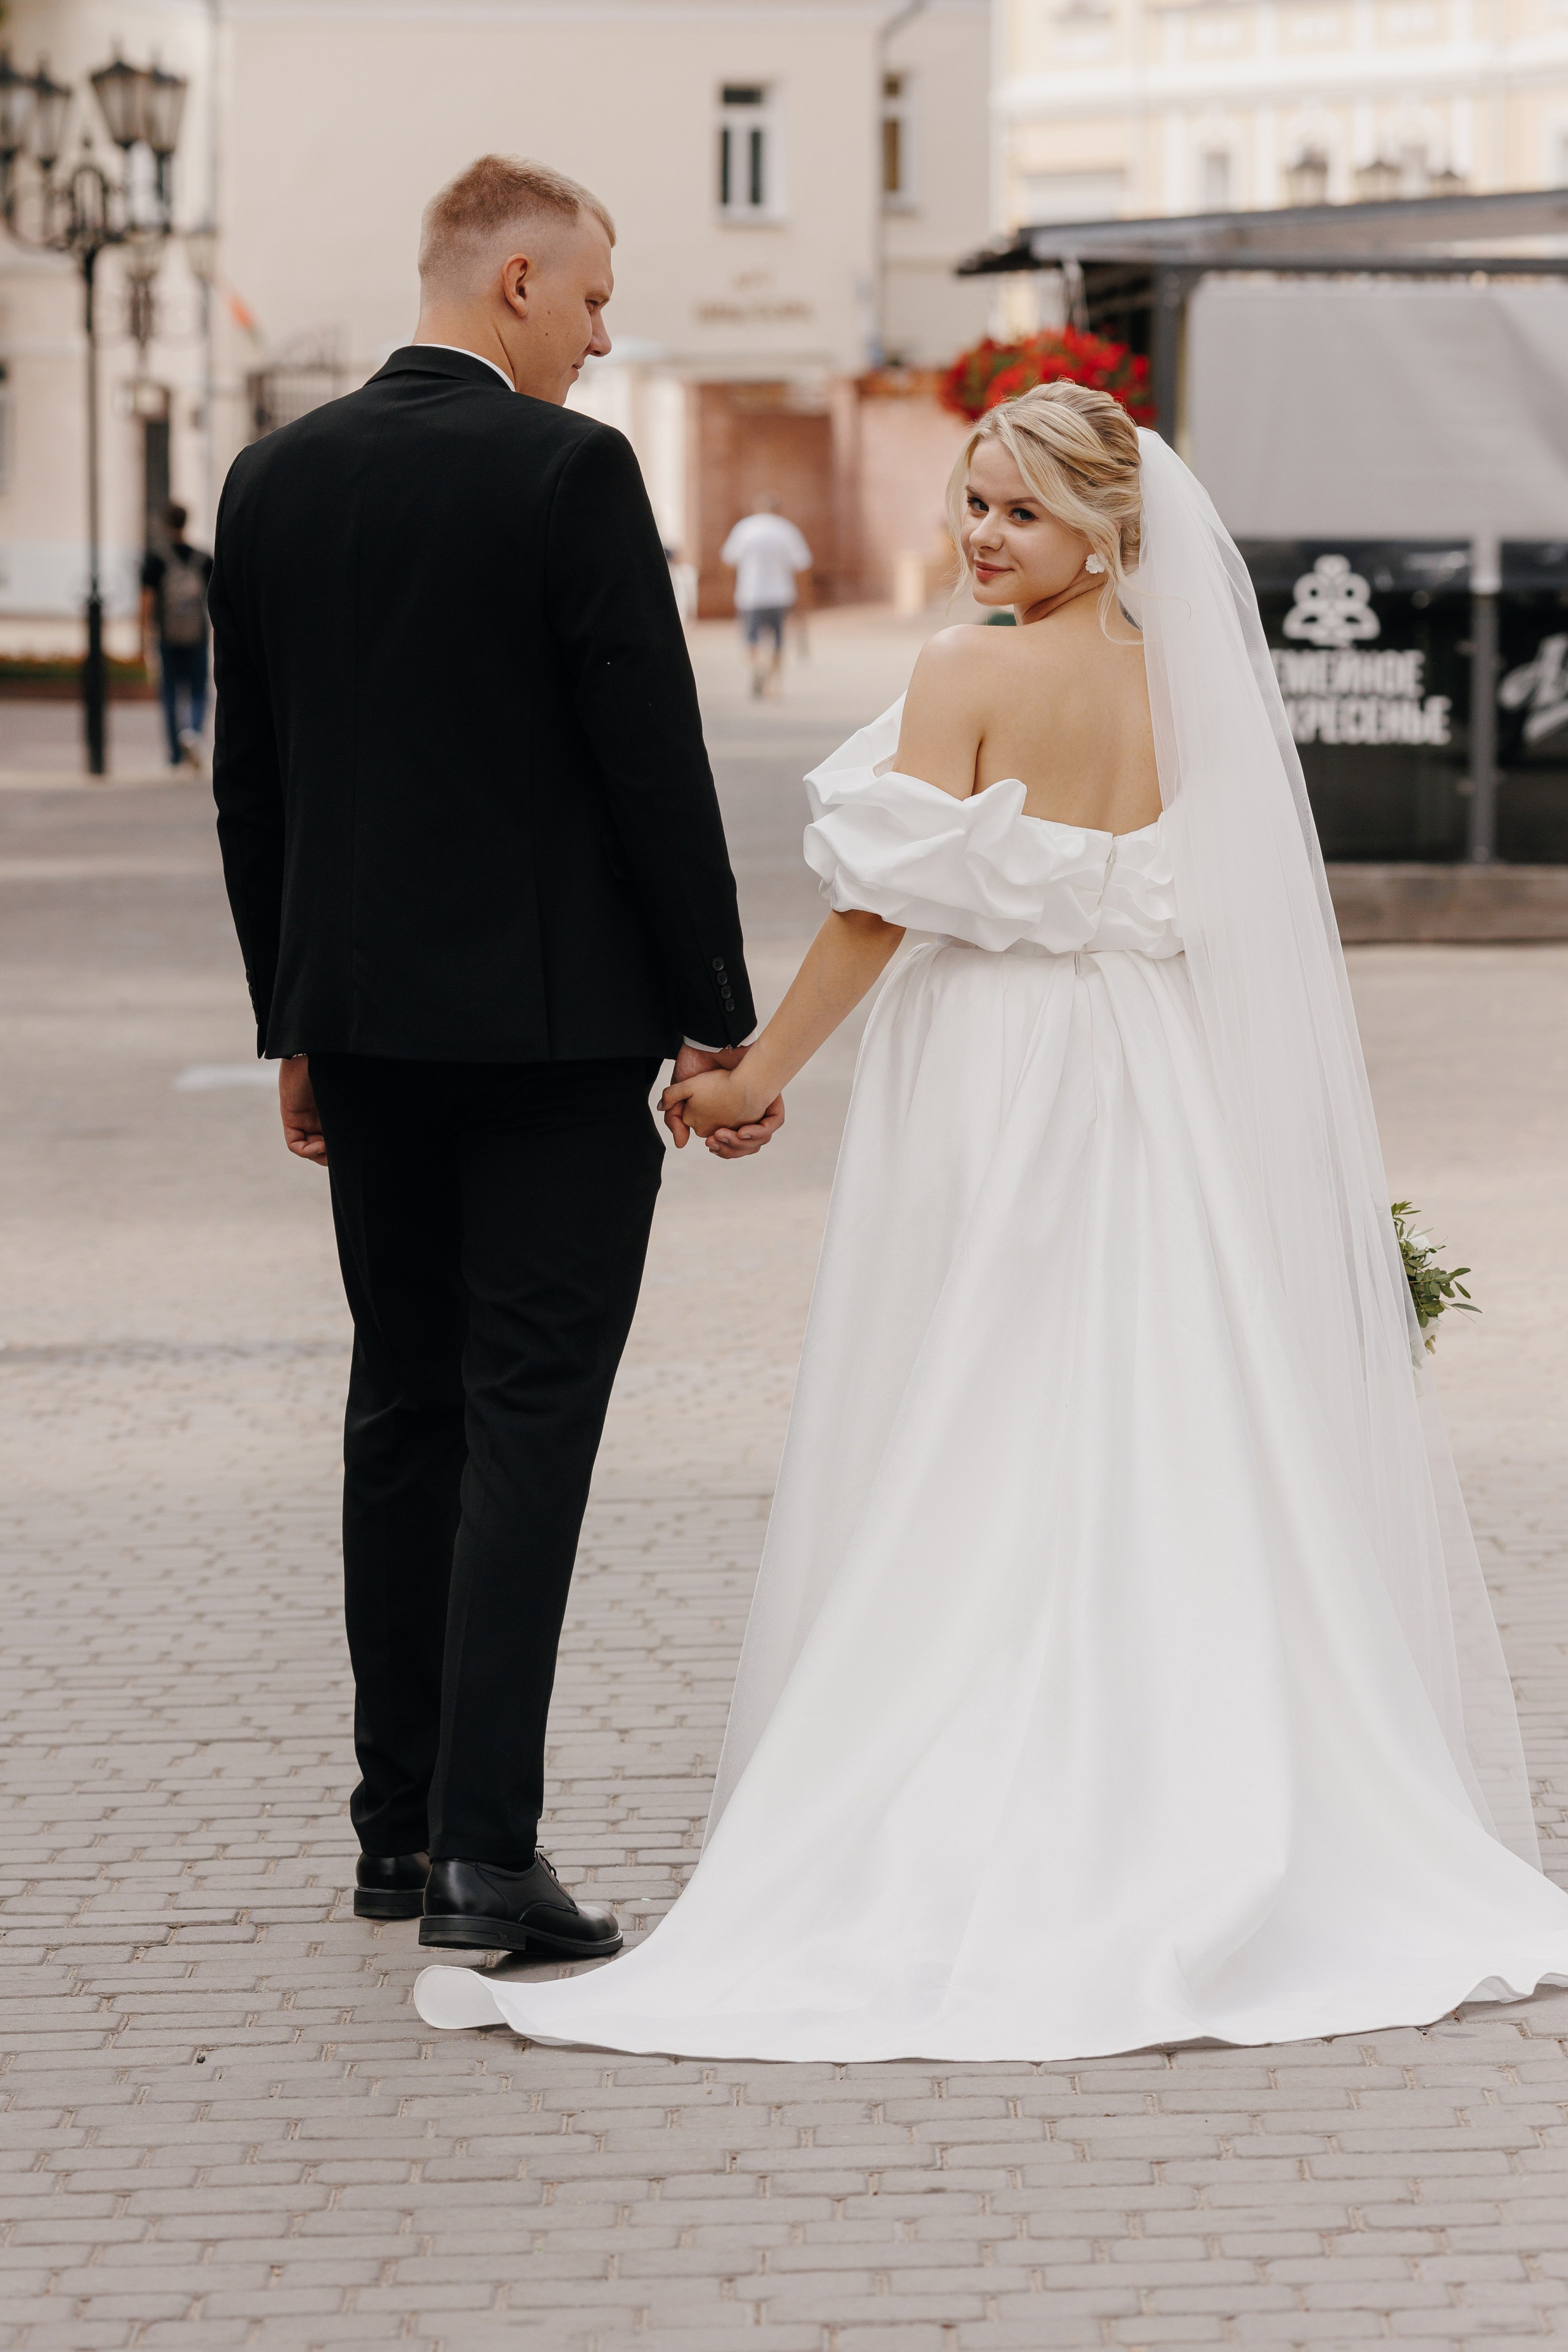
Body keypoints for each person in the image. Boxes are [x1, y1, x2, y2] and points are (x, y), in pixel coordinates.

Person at [415, 383, 1568, 2062]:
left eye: (1017, 511)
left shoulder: (965, 671)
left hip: (1004, 1077)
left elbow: (881, 909)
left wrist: (751, 1079)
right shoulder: (1190, 692)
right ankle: (1199, 1776)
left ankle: (986, 1784)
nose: (979, 537)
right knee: (1158, 1408)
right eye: (971, 503)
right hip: (1153, 1079)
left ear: (1108, 525)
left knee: (979, 1400)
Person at [209, 156, 781, 1962]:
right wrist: (718, 1008)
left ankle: (392, 1838)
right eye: (598, 301)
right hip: (552, 1038)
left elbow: (256, 786)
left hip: (365, 1025)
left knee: (405, 1408)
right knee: (529, 1416)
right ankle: (484, 1854)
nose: (608, 340)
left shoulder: (272, 477)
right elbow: (649, 756)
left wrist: (288, 1017)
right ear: (518, 280)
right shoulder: (566, 471)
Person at [140, 503, 213, 771]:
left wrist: (143, 636)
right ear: (186, 523)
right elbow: (216, 601)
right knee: (198, 692)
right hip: (198, 636)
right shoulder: (203, 559)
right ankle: (192, 733)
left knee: (170, 694)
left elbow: (147, 602)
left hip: (168, 637)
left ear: (165, 523)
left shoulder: (156, 559)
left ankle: (175, 755)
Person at [720, 498, 812, 698]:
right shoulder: (787, 530)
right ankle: (774, 685)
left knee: (750, 640)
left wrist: (731, 587)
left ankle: (759, 667)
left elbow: (728, 560)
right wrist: (803, 599)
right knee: (779, 641)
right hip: (781, 594)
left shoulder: (745, 529)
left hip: (751, 594)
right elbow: (802, 565)